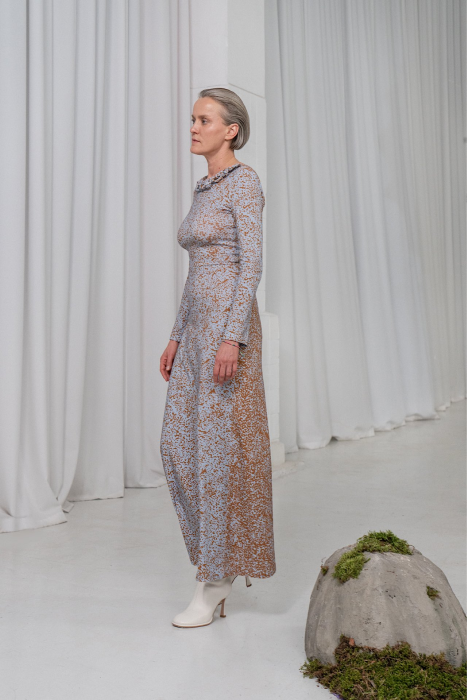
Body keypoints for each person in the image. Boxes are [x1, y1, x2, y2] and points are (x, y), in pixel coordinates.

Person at [160, 87, 276, 628]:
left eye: (203, 119)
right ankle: (215, 561)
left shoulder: (244, 182)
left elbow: (251, 264)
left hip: (229, 336)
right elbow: (196, 274)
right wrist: (176, 335)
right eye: (192, 119)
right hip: (195, 334)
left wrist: (233, 338)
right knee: (177, 448)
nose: (193, 127)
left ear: (231, 130)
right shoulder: (204, 188)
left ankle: (213, 581)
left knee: (217, 454)